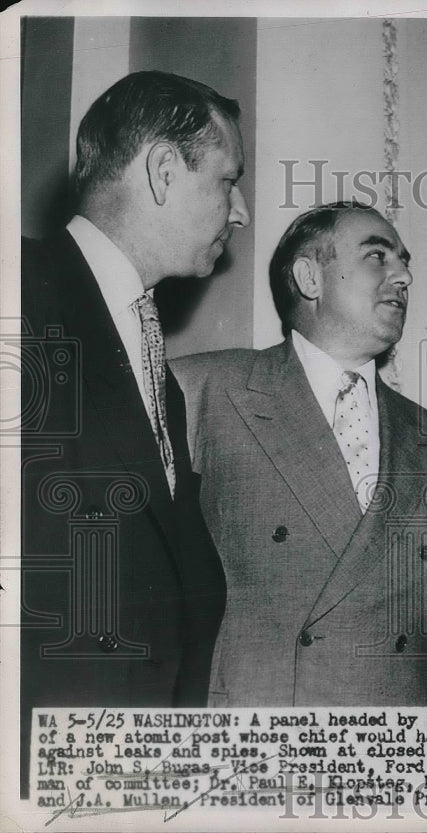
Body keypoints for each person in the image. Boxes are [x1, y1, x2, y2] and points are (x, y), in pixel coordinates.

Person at [20, 71, 248, 792]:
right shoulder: (15, 293)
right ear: (161, 170)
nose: (238, 211)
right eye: (227, 180)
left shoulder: (156, 364)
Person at [172, 203, 427, 705]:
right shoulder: (199, 391)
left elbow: (415, 628)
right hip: (258, 735)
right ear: (310, 277)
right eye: (377, 256)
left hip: (392, 749)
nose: (404, 275)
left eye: (404, 260)